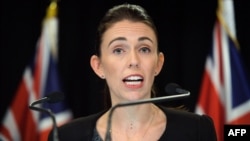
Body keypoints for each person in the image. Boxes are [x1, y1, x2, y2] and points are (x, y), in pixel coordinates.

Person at [48, 3, 217, 141]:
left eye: (144, 49)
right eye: (119, 50)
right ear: (98, 66)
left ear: (158, 63)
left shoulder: (197, 131)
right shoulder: (66, 137)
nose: (134, 61)